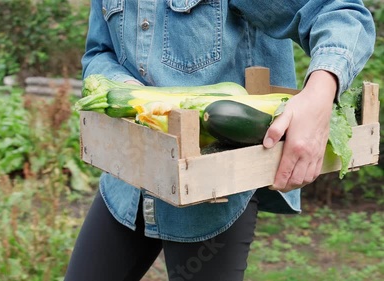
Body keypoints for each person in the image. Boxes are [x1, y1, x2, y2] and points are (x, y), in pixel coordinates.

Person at [65, 1, 376, 280]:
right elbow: (99, 53)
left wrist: (320, 96)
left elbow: (339, 12)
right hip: (128, 178)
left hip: (214, 194)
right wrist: (129, 92)